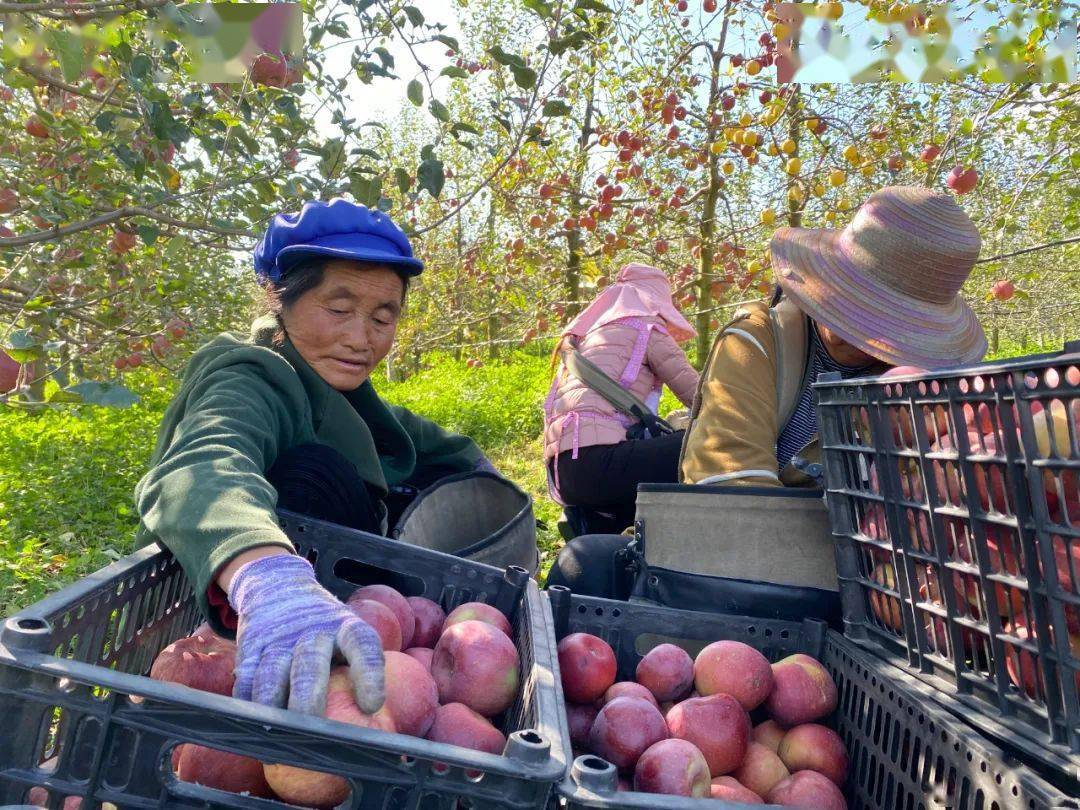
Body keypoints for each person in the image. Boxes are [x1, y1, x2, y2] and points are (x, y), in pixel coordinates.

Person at [134, 198, 497, 716]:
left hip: (361, 634)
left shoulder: (337, 386)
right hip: (230, 626)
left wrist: (483, 474)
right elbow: (202, 465)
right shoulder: (248, 378)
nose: (360, 338)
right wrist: (267, 577)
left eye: (381, 317)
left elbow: (419, 439)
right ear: (280, 298)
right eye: (339, 309)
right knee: (313, 472)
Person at [548, 185, 987, 599]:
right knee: (584, 567)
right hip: (761, 570)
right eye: (847, 297)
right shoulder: (758, 340)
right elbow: (731, 493)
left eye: (874, 314)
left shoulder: (921, 389)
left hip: (881, 582)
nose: (846, 325)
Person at [542, 262, 699, 540]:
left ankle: (608, 533)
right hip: (599, 462)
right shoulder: (645, 327)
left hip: (564, 473)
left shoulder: (585, 339)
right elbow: (700, 395)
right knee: (701, 444)